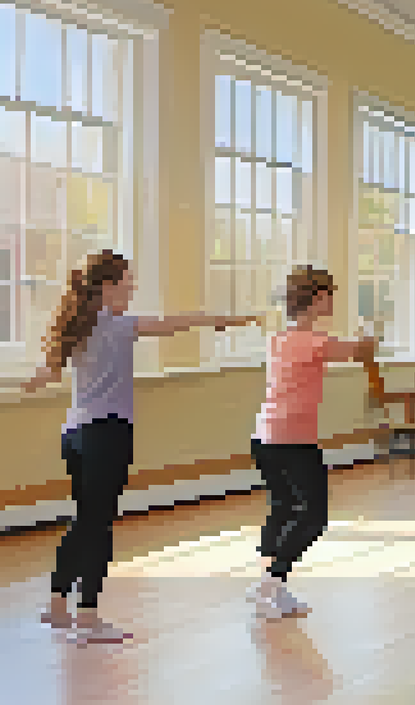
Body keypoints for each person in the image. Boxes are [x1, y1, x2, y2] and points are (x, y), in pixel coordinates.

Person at [16, 250, 257, 644]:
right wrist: (223, 320)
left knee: (85, 520)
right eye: (128, 284)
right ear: (108, 287)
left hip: (75, 435)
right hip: (106, 434)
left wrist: (32, 381)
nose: (132, 290)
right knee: (99, 525)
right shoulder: (116, 326)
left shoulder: (77, 325)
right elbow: (176, 324)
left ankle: (58, 605)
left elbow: (47, 373)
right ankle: (89, 617)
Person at [249, 266, 378, 620]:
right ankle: (270, 583)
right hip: (291, 441)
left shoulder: (280, 338)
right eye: (330, 294)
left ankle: (271, 585)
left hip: (266, 437)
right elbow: (363, 351)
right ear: (317, 298)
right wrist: (370, 330)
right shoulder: (313, 341)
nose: (333, 301)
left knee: (284, 509)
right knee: (314, 516)